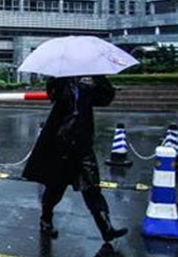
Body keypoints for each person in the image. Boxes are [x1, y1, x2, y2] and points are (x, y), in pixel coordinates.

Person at [22, 75, 128, 242]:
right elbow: (53, 94)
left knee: (92, 187)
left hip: (83, 144)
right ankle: (46, 219)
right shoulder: (61, 82)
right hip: (60, 144)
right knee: (55, 188)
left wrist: (98, 78)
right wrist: (60, 80)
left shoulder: (89, 83)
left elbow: (105, 98)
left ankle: (106, 228)